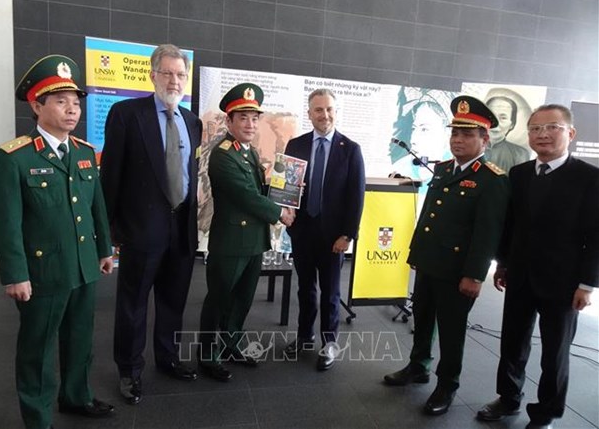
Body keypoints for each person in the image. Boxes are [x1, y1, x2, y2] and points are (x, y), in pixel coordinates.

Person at [0, 54, 115, 429]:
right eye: (61, 101)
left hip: (83, 265)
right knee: (38, 350)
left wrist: (104, 250)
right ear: (37, 105)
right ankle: (38, 417)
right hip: (42, 272)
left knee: (80, 340)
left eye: (76, 103)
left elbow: (97, 209)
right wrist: (14, 274)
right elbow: (6, 223)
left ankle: (76, 397)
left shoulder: (84, 153)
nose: (72, 110)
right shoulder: (14, 158)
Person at [382, 96, 510, 416]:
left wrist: (475, 274)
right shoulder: (442, 169)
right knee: (422, 319)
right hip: (429, 262)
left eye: (467, 134)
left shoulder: (492, 179)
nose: (458, 139)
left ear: (485, 139)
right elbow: (430, 216)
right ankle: (418, 366)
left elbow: (487, 232)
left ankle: (447, 384)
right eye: (455, 133)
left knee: (452, 330)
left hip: (457, 271)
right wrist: (417, 254)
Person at [477, 105, 599, 429]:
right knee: (512, 343)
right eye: (535, 128)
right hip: (519, 276)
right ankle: (508, 398)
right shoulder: (518, 174)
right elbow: (511, 225)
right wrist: (501, 264)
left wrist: (588, 285)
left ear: (570, 133)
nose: (542, 134)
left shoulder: (590, 178)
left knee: (554, 355)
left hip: (564, 285)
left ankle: (546, 413)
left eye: (552, 127)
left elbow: (596, 236)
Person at [100, 44, 202, 405]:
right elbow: (110, 176)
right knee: (133, 304)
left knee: (174, 301)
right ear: (152, 75)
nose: (174, 80)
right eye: (168, 73)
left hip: (182, 229)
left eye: (180, 74)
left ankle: (168, 358)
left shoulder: (192, 121)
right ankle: (129, 370)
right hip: (141, 230)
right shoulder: (127, 114)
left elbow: (188, 175)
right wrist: (108, 233)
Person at [198, 83, 295, 381]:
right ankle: (207, 355)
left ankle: (231, 345)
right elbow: (246, 196)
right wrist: (280, 211)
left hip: (253, 240)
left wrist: (287, 191)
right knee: (219, 299)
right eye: (243, 118)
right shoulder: (223, 155)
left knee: (242, 300)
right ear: (229, 121)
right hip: (230, 242)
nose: (250, 124)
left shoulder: (248, 152)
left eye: (254, 118)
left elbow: (259, 190)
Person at [283, 88, 366, 371]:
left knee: (331, 292)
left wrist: (348, 235)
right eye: (319, 110)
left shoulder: (351, 149)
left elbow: (356, 197)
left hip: (334, 238)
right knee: (305, 289)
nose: (325, 115)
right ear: (310, 114)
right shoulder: (295, 145)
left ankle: (329, 343)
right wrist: (285, 209)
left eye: (329, 109)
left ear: (336, 111)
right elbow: (285, 189)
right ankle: (304, 337)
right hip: (303, 231)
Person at [485, 96, 531, 173]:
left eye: (503, 118)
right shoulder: (468, 149)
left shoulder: (519, 154)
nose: (495, 123)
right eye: (491, 116)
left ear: (512, 124)